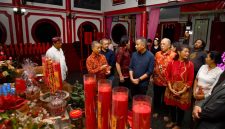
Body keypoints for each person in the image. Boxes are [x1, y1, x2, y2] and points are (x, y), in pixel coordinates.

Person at [164, 44, 194, 129]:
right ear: (179, 52)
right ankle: (173, 121)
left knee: (181, 108)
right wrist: (170, 88)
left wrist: (183, 90)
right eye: (185, 51)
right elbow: (167, 76)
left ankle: (179, 124)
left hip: (184, 89)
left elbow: (190, 80)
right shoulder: (172, 62)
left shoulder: (190, 64)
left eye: (188, 51)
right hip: (171, 88)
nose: (187, 53)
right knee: (172, 106)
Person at [152, 38, 176, 120]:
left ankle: (166, 113)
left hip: (167, 82)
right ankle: (156, 111)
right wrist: (152, 76)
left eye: (164, 44)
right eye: (161, 44)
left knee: (166, 98)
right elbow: (155, 66)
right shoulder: (157, 53)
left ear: (169, 45)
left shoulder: (174, 55)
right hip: (157, 80)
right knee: (156, 97)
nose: (161, 45)